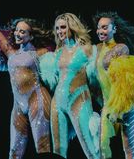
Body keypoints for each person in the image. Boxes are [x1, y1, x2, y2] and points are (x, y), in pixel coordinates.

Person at [0, 0, 55, 159]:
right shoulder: (11, 52)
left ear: (31, 36)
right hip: (18, 104)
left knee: (42, 147)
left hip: (37, 99)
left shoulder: (41, 53)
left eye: (22, 31)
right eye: (17, 30)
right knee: (14, 153)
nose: (18, 34)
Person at [40, 13, 100, 159]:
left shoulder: (86, 49)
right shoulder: (58, 52)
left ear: (71, 27)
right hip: (57, 103)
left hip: (79, 100)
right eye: (57, 28)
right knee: (58, 151)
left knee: (91, 148)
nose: (60, 31)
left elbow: (97, 72)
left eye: (63, 27)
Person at [92, 11, 134, 159]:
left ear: (114, 29)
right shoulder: (96, 49)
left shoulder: (121, 48)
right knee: (102, 145)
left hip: (126, 104)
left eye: (105, 27)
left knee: (128, 146)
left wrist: (119, 110)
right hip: (108, 104)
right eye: (99, 27)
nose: (100, 31)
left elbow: (123, 81)